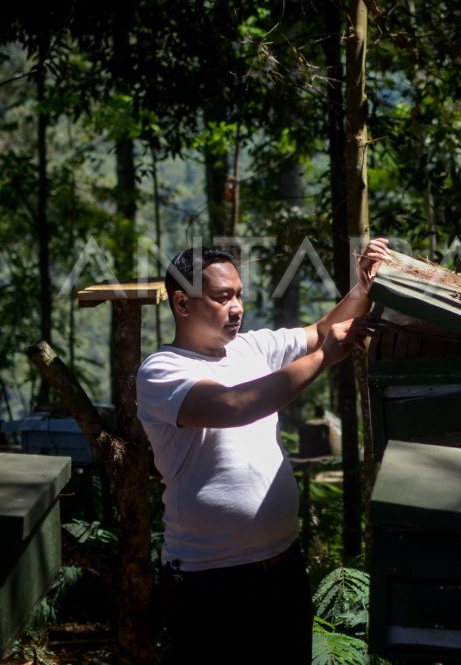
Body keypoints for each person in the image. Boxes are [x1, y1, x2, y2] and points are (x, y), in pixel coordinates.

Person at [136, 237, 390, 664]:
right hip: (208, 580)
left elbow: (323, 330)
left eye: (238, 295)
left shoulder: (251, 348)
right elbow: (236, 405)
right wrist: (325, 358)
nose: (236, 307)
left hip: (282, 566)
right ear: (182, 303)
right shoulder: (162, 371)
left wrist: (364, 289)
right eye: (222, 297)